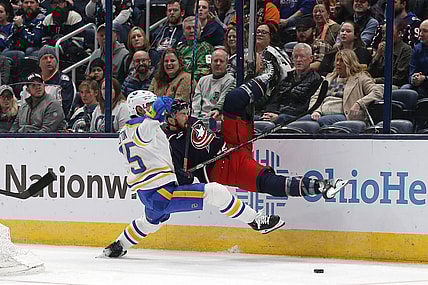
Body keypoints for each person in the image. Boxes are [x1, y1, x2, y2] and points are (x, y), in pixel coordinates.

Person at [102, 95, 286, 258]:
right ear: (140, 109)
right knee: (215, 192)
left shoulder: (126, 130)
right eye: (150, 105)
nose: (156, 108)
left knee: (151, 222)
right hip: (160, 192)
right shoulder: (140, 127)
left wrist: (176, 172)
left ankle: (119, 245)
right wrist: (153, 115)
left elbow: (152, 151)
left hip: (151, 192)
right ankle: (256, 221)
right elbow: (143, 137)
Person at [163, 48, 348, 198]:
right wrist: (183, 176)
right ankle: (320, 186)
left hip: (230, 143)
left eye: (184, 110)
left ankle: (271, 76)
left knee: (233, 100)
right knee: (266, 181)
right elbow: (171, 178)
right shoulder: (167, 144)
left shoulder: (188, 121)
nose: (185, 114)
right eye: (180, 113)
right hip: (223, 169)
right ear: (170, 120)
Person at [303, 49, 382, 126]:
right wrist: (317, 111)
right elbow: (316, 97)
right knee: (301, 122)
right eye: (337, 60)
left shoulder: (361, 77)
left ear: (350, 63)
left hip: (345, 115)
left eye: (342, 61)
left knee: (322, 122)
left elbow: (378, 92)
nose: (337, 63)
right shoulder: (330, 77)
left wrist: (359, 103)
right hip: (321, 113)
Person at [260, 43, 323, 124]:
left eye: (302, 56)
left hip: (295, 116)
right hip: (278, 114)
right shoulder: (286, 78)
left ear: (311, 58)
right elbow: (274, 100)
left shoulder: (317, 80)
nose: (298, 60)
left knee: (282, 118)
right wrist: (269, 112)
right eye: (295, 57)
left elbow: (306, 106)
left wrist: (279, 115)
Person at [192, 47, 235, 125]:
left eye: (221, 61)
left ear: (227, 64)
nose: (218, 63)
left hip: (217, 118)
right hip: (200, 119)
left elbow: (223, 101)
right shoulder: (203, 80)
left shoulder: (230, 80)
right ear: (210, 63)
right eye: (215, 61)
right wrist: (194, 119)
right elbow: (196, 103)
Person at [368, 22, 411, 88]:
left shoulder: (405, 50)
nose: (385, 36)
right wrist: (377, 56)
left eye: (389, 32)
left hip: (394, 85)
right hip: (377, 83)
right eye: (383, 33)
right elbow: (371, 73)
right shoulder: (382, 48)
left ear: (399, 34)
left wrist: (376, 80)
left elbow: (400, 78)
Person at [38, 45, 76, 118]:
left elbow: (64, 110)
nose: (49, 60)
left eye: (52, 57)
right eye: (45, 58)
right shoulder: (35, 81)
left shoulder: (64, 82)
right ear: (39, 63)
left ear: (57, 61)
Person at [176, 16, 213, 83]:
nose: (192, 31)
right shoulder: (179, 48)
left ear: (200, 30)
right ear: (183, 32)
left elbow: (205, 71)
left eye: (195, 28)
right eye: (188, 28)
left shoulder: (206, 48)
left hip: (195, 83)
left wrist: (184, 80)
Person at [408, 19, 428, 98]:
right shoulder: (417, 49)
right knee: (406, 91)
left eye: (425, 31)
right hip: (422, 87)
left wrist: (425, 78)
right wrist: (414, 79)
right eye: (420, 31)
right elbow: (411, 72)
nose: (421, 34)